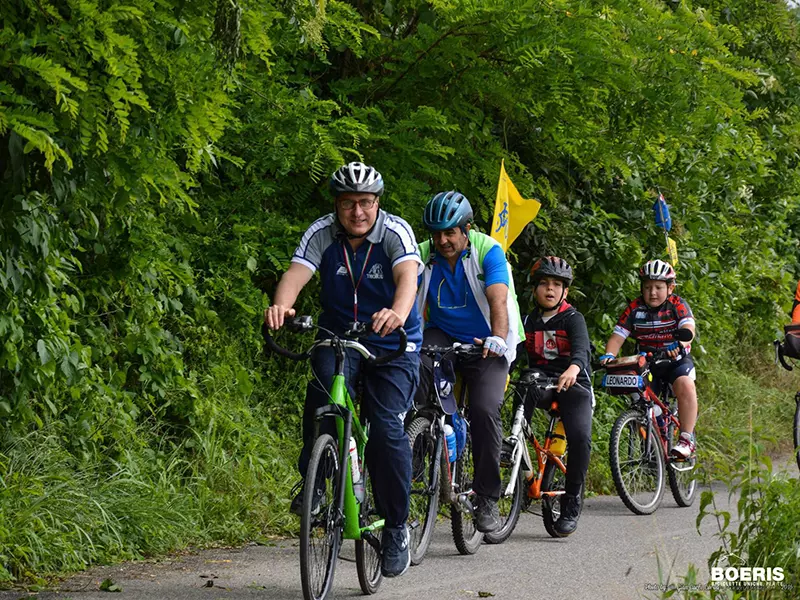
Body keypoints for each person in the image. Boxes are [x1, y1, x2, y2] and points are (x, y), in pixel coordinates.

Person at [264, 162, 422, 578]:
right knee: (321, 397)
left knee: (386, 428)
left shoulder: (395, 232)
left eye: (365, 203)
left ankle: (396, 528)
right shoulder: (321, 233)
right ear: (337, 205)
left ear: (377, 203)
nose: (358, 212)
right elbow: (296, 273)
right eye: (349, 203)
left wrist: (397, 312)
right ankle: (315, 482)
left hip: (393, 342)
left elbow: (408, 278)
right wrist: (283, 304)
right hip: (340, 335)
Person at [413, 191, 524, 533]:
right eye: (436, 234)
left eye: (450, 233)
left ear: (467, 229)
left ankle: (487, 497)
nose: (442, 241)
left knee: (484, 409)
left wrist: (496, 335)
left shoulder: (488, 250)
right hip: (442, 334)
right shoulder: (423, 254)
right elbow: (406, 298)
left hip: (488, 340)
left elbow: (498, 299)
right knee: (412, 368)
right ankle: (418, 448)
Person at [515, 256, 593, 536]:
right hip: (541, 383)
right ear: (534, 289)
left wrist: (573, 368)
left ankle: (571, 500)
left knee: (580, 438)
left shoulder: (574, 318)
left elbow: (582, 351)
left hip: (574, 386)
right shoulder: (528, 320)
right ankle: (518, 462)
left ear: (565, 292)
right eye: (544, 283)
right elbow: (515, 352)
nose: (550, 289)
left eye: (556, 284)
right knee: (521, 388)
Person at [599, 259, 698, 459]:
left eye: (658, 287)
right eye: (647, 287)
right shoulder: (634, 308)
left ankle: (687, 439)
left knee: (686, 385)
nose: (652, 292)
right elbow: (618, 336)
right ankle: (655, 431)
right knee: (636, 395)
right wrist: (609, 355)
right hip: (648, 362)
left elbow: (689, 329)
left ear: (670, 288)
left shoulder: (677, 305)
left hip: (675, 360)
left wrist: (679, 342)